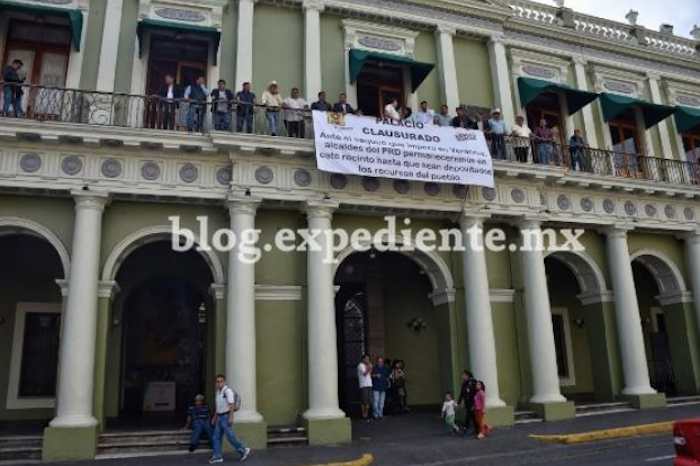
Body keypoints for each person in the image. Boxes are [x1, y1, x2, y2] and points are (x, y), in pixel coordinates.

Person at [209, 374, 251, 463]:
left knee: (230, 437)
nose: (219, 383)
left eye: (221, 381)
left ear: (224, 382)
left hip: (225, 416)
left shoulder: (227, 391)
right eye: (217, 381)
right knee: (216, 437)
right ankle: (217, 456)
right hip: (219, 417)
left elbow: (231, 404)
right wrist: (214, 417)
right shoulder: (218, 392)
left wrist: (231, 417)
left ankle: (243, 450)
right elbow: (218, 407)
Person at [457, 370, 477, 435]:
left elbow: (475, 393)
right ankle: (477, 429)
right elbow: (462, 393)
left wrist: (475, 403)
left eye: (463, 375)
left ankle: (465, 428)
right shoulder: (464, 383)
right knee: (472, 416)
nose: (462, 376)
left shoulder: (473, 382)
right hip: (467, 402)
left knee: (468, 415)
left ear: (467, 375)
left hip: (472, 402)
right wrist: (459, 402)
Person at [357, 354, 373, 422]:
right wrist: (369, 367)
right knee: (364, 401)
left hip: (369, 384)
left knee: (368, 401)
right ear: (363, 359)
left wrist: (370, 368)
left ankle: (366, 415)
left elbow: (369, 374)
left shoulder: (367, 365)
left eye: (368, 359)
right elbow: (365, 373)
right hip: (363, 385)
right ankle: (364, 415)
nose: (368, 360)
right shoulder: (360, 365)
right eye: (366, 359)